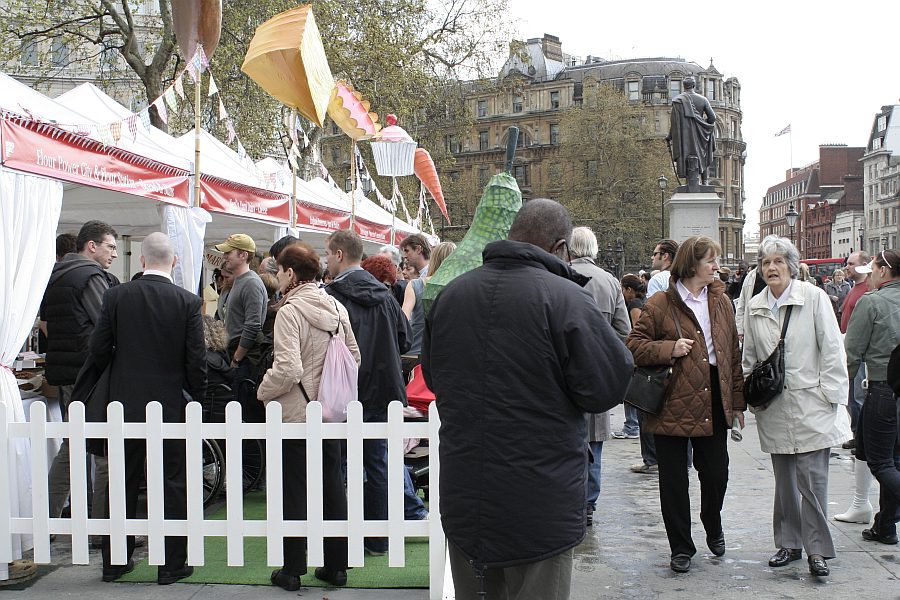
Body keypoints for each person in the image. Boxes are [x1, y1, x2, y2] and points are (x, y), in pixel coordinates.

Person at [422, 198, 633, 600]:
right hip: (540, 499)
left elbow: (436, 378)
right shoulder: (566, 298)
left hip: (468, 492)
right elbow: (605, 386)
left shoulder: (453, 295)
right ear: (559, 247)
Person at [89, 232, 206, 584]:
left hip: (123, 403)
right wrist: (196, 397)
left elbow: (98, 350)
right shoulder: (187, 302)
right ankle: (171, 564)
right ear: (173, 261)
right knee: (171, 482)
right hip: (170, 403)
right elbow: (195, 360)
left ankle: (115, 561)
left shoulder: (116, 296)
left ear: (141, 261)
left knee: (123, 480)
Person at [626, 235, 744, 574]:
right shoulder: (661, 303)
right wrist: (668, 349)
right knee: (674, 482)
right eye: (710, 260)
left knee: (716, 473)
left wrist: (737, 405)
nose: (715, 265)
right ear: (692, 264)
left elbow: (732, 356)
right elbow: (633, 345)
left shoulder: (721, 301)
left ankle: (713, 521)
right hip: (672, 400)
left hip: (712, 397)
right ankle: (680, 546)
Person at [742, 235, 850, 577]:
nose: (771, 268)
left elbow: (832, 348)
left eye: (778, 261)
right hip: (774, 406)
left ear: (791, 265)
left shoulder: (814, 298)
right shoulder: (756, 306)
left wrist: (832, 397)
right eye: (765, 263)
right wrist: (751, 399)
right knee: (785, 481)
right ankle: (788, 544)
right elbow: (751, 359)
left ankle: (817, 549)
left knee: (812, 481)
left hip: (811, 402)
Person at [257, 243, 359, 590]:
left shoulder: (289, 311)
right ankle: (337, 565)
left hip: (297, 413)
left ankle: (293, 569)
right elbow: (353, 357)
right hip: (329, 411)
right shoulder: (335, 306)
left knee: (293, 490)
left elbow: (287, 368)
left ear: (289, 273)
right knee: (332, 487)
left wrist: (263, 390)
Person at [324, 229, 415, 554]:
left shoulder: (333, 295)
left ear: (338, 254)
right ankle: (377, 538)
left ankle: (345, 537)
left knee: (343, 464)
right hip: (384, 390)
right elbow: (404, 339)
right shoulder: (385, 295)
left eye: (327, 253)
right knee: (378, 463)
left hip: (346, 391)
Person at [42, 221, 119, 528]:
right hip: (89, 374)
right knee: (101, 451)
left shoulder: (58, 274)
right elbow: (106, 324)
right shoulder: (89, 276)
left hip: (67, 373)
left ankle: (46, 522)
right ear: (92, 246)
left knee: (73, 448)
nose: (114, 253)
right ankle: (103, 528)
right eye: (110, 246)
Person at [567, 227, 630, 527]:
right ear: (594, 248)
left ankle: (569, 501)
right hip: (597, 373)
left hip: (562, 374)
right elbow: (625, 333)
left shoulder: (558, 277)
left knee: (565, 442)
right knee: (595, 443)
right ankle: (589, 505)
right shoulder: (610, 282)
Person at [845, 249, 900, 546]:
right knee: (895, 460)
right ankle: (886, 525)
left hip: (882, 386)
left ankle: (887, 524)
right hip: (891, 388)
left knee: (880, 462)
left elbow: (852, 352)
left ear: (882, 271)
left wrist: (840, 392)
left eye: (873, 268)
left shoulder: (873, 301)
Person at [631, 239, 679, 474]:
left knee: (648, 405)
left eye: (655, 254)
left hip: (659, 350)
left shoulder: (659, 280)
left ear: (666, 256)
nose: (652, 258)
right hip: (679, 352)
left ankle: (652, 459)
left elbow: (649, 321)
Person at [214, 234, 268, 421]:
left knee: (242, 411)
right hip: (238, 352)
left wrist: (237, 357)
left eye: (229, 252)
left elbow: (253, 325)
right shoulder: (240, 280)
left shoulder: (251, 282)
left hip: (245, 357)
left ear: (243, 255)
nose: (225, 256)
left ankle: (242, 450)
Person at [402, 241, 457, 358]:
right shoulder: (460, 286)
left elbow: (403, 320)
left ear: (433, 259)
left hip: (416, 351)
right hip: (448, 353)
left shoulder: (415, 285)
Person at [667, 76, 716, 186]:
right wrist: (703, 125)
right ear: (694, 86)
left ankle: (689, 182)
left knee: (686, 154)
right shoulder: (703, 100)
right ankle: (705, 181)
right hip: (701, 134)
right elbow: (712, 117)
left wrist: (669, 136)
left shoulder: (677, 100)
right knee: (702, 155)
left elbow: (674, 122)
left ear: (684, 86)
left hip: (685, 137)